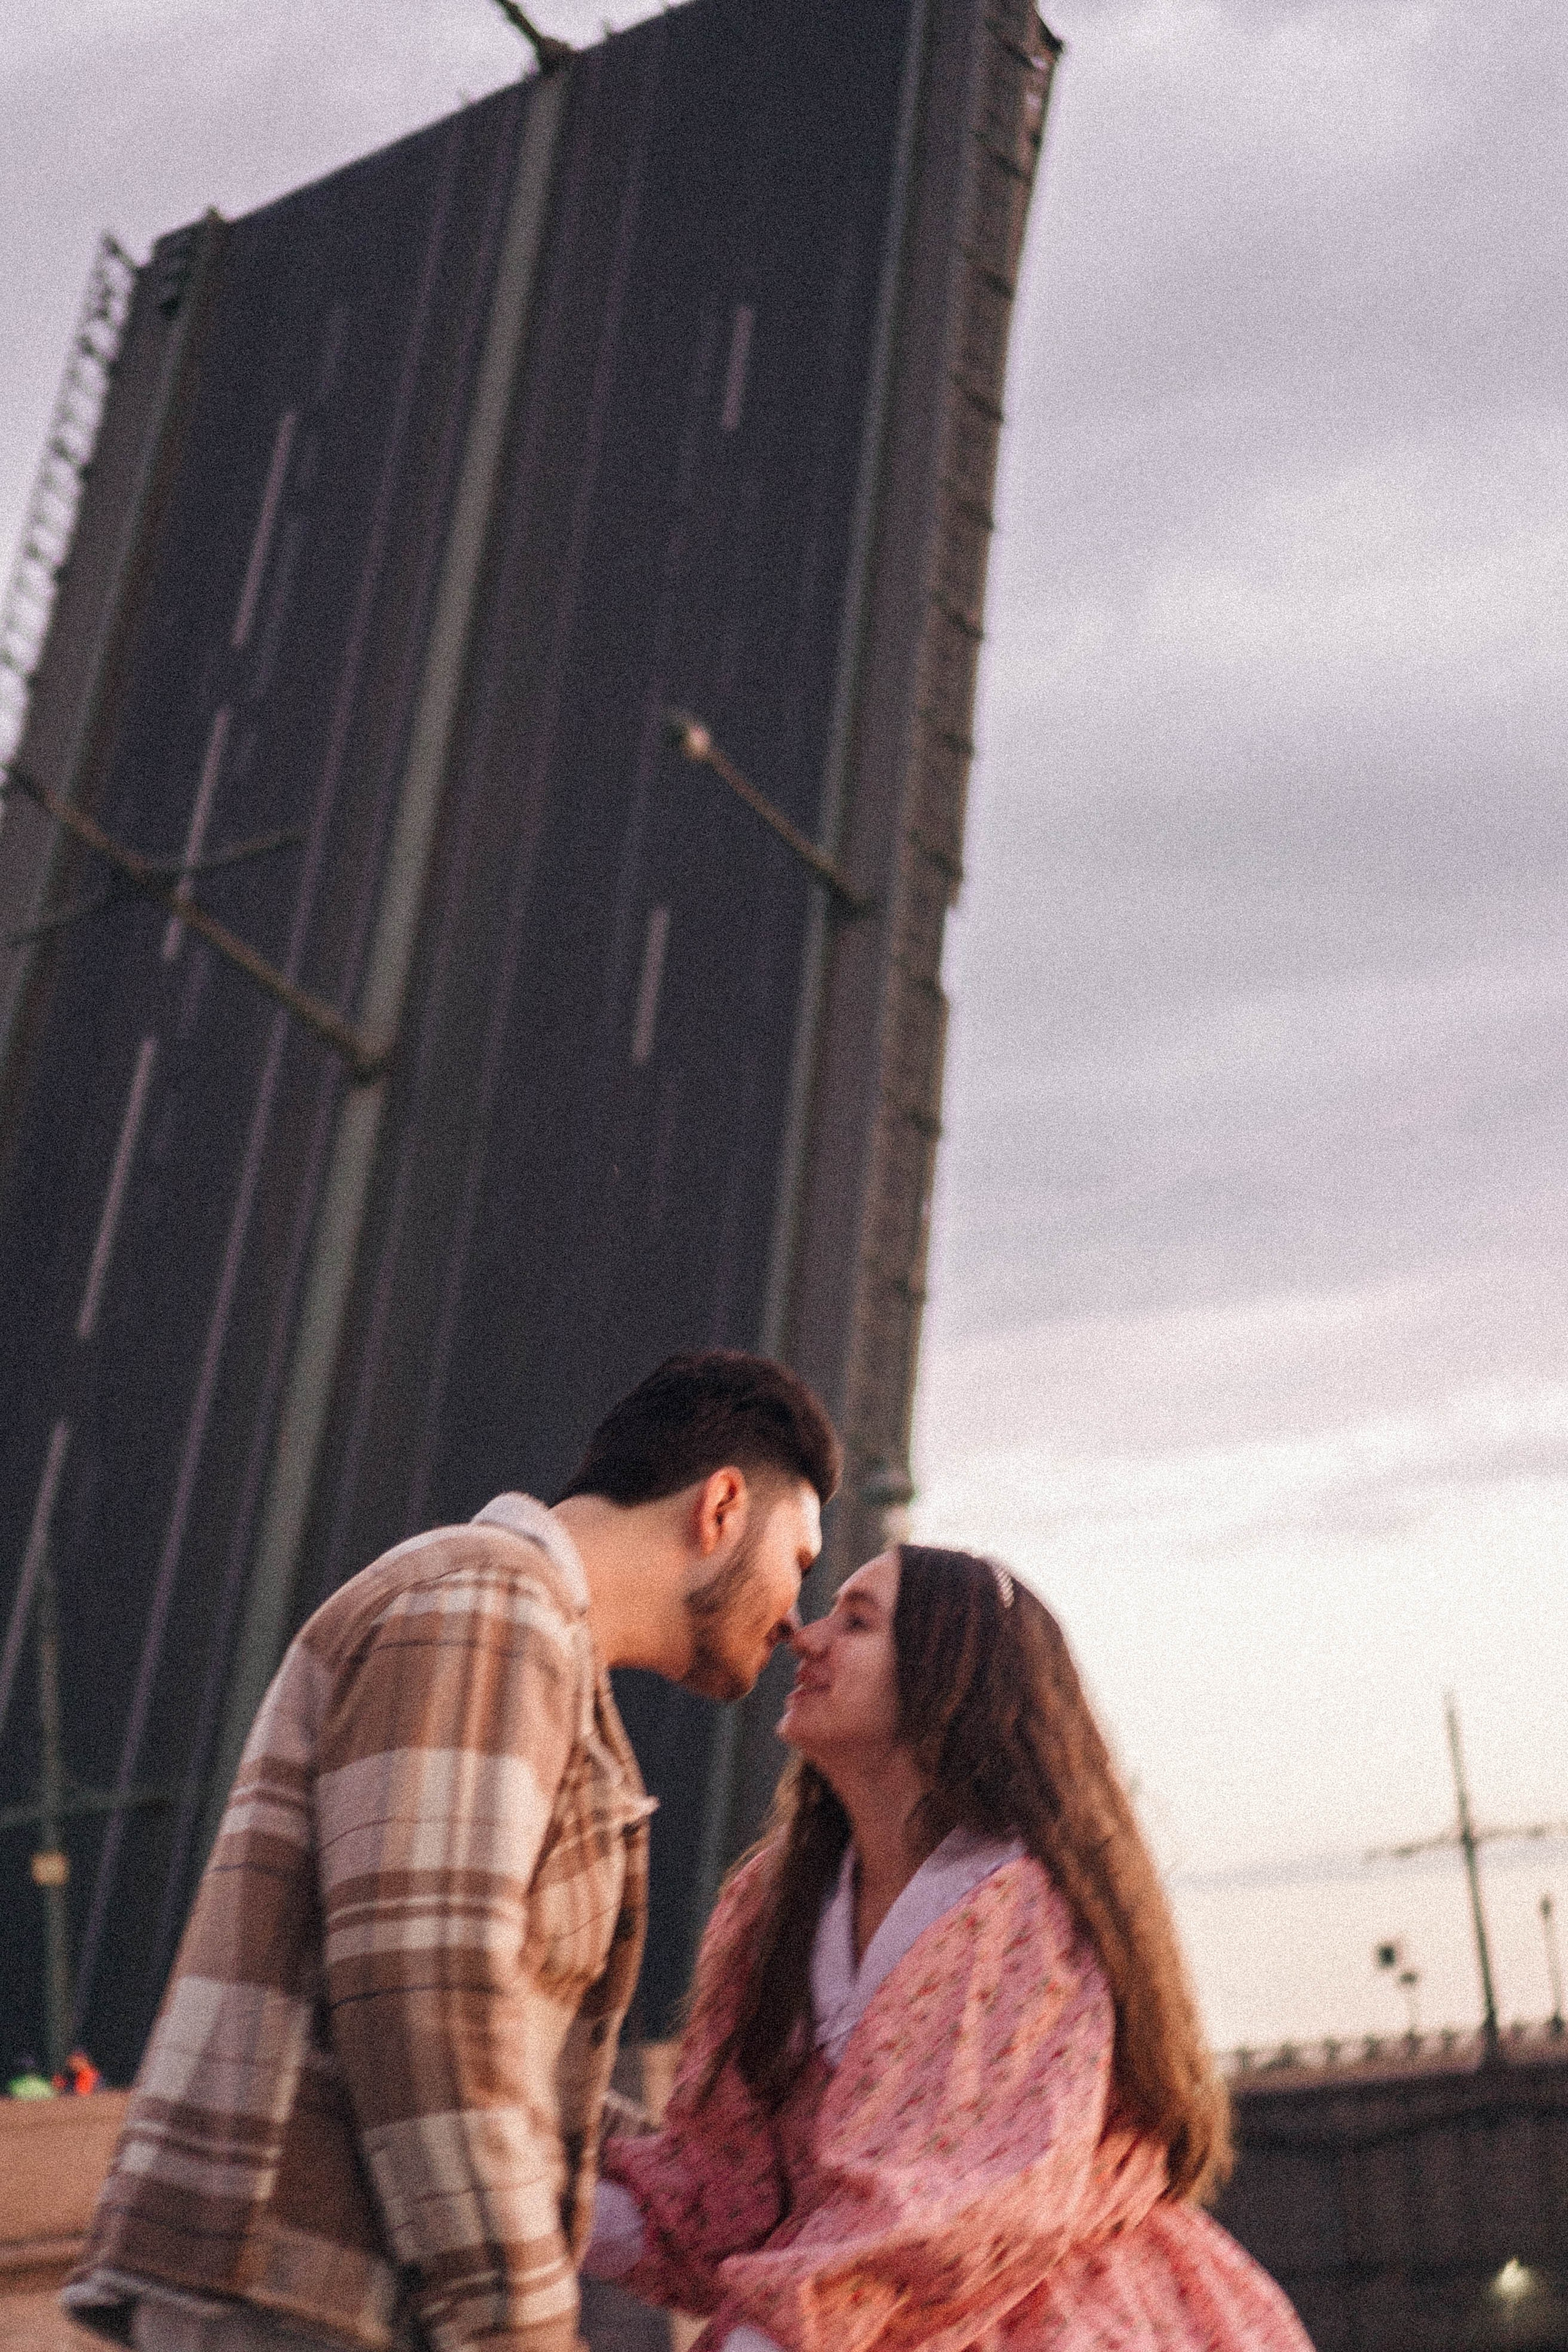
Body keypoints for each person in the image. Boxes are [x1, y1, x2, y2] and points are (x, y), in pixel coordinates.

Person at [65, 1349, 840, 2352]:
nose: (794, 1618)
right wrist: (522, 2327)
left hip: (331, 2281)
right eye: (803, 1563)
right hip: (309, 2292)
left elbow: (487, 2024)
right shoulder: (490, 1604)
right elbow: (429, 1993)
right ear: (723, 1506)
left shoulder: (530, 1644)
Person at [587, 1543, 1313, 2352]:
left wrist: (772, 2336)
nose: (807, 1637)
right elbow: (727, 2187)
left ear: (948, 1679)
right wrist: (545, 2206)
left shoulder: (1027, 1906)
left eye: (856, 1621)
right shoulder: (772, 1901)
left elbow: (969, 2201)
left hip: (1052, 2317)